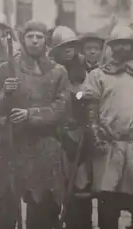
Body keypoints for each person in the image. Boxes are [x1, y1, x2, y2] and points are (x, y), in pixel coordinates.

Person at [0, 20, 71, 229]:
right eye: (30, 36)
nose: (34, 41)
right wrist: (5, 93)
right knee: (8, 205)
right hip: (14, 145)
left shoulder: (58, 71)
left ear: (45, 40)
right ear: (23, 39)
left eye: (39, 37)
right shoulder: (7, 68)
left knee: (43, 207)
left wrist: (30, 114)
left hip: (45, 146)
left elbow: (62, 108)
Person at [82, 25, 133, 229]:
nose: (124, 48)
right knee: (108, 205)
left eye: (128, 43)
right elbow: (90, 106)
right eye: (119, 44)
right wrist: (95, 133)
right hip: (108, 147)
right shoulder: (98, 75)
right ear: (111, 47)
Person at [49, 26, 93, 229]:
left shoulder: (85, 66)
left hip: (79, 131)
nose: (68, 50)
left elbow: (89, 91)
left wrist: (81, 96)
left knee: (81, 185)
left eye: (72, 46)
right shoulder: (50, 68)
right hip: (55, 132)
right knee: (58, 184)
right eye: (63, 46)